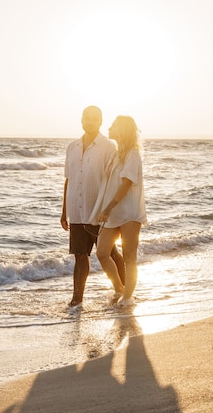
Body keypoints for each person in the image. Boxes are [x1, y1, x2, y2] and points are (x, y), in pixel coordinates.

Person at [61, 106, 125, 307]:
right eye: (86, 118)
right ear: (81, 120)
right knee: (80, 256)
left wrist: (111, 209)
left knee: (110, 252)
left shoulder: (108, 147)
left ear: (100, 121)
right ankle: (77, 299)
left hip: (100, 211)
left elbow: (114, 180)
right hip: (77, 210)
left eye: (94, 119)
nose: (90, 122)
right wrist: (64, 211)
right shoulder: (71, 147)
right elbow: (68, 180)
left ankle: (124, 290)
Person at [94, 115, 146, 307]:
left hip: (129, 212)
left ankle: (127, 298)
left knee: (129, 256)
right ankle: (119, 288)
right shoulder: (116, 155)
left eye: (114, 125)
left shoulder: (132, 154)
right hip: (113, 213)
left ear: (122, 129)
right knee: (101, 253)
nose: (109, 127)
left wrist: (108, 208)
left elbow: (126, 184)